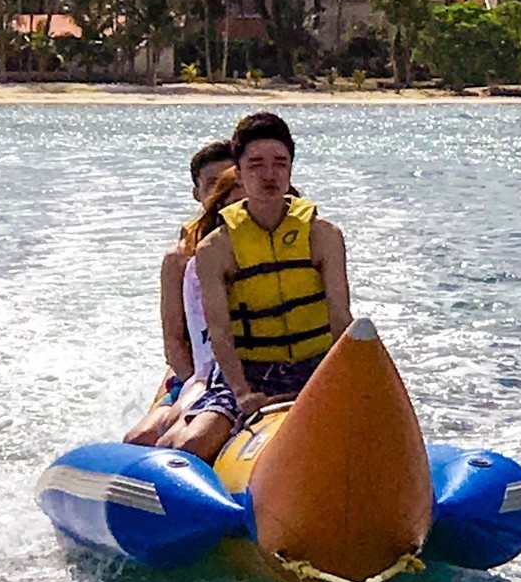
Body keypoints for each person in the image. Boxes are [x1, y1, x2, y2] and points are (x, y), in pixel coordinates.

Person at [160, 111, 351, 464]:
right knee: (191, 447)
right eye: (256, 164)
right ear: (240, 171)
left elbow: (340, 319)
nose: (269, 174)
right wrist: (243, 393)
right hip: (247, 372)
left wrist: (346, 383)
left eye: (280, 163)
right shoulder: (215, 248)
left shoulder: (324, 236)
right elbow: (219, 333)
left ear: (291, 168)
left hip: (316, 369)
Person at [122, 139, 234, 445]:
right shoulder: (179, 259)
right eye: (213, 183)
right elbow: (174, 343)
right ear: (197, 192)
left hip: (242, 368)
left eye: (231, 181)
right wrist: (195, 389)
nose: (222, 191)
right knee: (138, 439)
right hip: (193, 371)